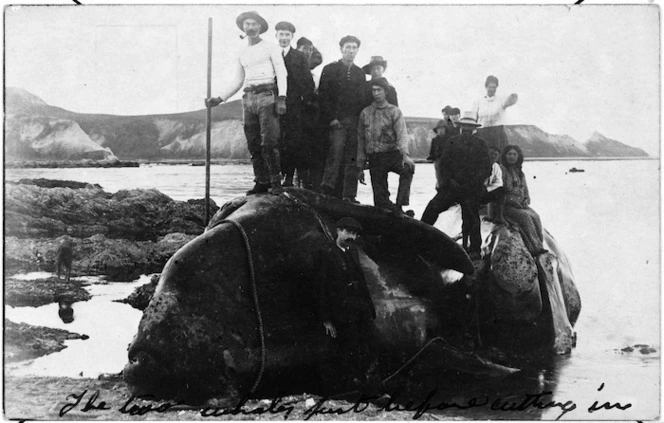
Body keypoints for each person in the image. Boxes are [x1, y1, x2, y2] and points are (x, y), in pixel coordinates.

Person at [205, 11, 287, 195]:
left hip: (267, 95)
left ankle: (276, 182)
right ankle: (261, 181)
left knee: (269, 141)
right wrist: (219, 98)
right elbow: (238, 79)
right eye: (247, 24)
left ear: (260, 27)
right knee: (253, 142)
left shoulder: (271, 48)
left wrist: (281, 97)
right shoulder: (241, 52)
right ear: (243, 27)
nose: (250, 28)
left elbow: (282, 73)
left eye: (254, 24)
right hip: (248, 98)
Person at [420, 112, 492, 259]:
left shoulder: (481, 144)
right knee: (432, 208)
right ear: (460, 127)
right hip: (452, 187)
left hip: (472, 188)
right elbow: (444, 165)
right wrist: (449, 181)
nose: (466, 129)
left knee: (471, 216)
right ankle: (419, 239)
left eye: (469, 127)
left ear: (473, 128)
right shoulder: (452, 141)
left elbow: (486, 168)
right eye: (464, 126)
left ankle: (475, 249)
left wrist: (472, 183)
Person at [317, 217, 377, 392]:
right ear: (338, 231)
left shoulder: (352, 252)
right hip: (341, 311)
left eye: (355, 234)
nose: (352, 236)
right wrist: (325, 319)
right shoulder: (326, 253)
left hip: (359, 309)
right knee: (347, 347)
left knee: (369, 344)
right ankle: (350, 386)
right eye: (348, 232)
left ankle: (366, 383)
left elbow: (361, 280)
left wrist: (369, 307)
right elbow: (320, 287)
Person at [318, 35, 368, 203]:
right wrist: (331, 118)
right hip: (337, 121)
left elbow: (362, 100)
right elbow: (323, 96)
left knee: (352, 157)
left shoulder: (360, 73)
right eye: (348, 47)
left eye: (354, 48)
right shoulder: (330, 69)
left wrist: (359, 122)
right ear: (341, 49)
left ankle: (349, 195)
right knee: (335, 154)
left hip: (354, 122)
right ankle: (327, 189)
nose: (351, 51)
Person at [357, 77, 414, 215]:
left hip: (393, 154)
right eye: (373, 90)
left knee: (408, 168)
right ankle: (396, 213)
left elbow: (402, 134)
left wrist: (405, 155)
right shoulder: (365, 113)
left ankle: (400, 205)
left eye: (379, 90)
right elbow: (361, 140)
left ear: (386, 92)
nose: (376, 93)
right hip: (375, 158)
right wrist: (360, 166)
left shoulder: (394, 111)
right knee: (380, 201)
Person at [274, 21, 315, 188]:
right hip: (271, 104)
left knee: (292, 141)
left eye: (287, 35)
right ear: (276, 35)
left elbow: (308, 83)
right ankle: (273, 177)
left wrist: (303, 102)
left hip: (294, 106)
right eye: (281, 34)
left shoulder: (299, 57)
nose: (284, 38)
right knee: (274, 140)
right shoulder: (271, 53)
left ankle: (289, 178)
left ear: (292, 37)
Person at [501, 145, 546, 256]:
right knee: (525, 217)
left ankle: (540, 244)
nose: (512, 156)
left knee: (535, 216)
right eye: (509, 154)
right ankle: (534, 248)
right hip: (506, 206)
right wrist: (511, 201)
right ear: (505, 156)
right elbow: (499, 192)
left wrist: (525, 200)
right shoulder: (502, 170)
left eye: (514, 154)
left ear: (518, 156)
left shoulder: (520, 173)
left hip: (520, 205)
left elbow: (525, 190)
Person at [296, 36, 326, 189]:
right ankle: (298, 180)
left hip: (311, 115)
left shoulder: (315, 77)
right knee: (297, 146)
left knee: (310, 147)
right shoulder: (292, 70)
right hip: (296, 112)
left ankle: (308, 183)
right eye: (304, 50)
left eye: (309, 50)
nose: (307, 54)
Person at [428, 106, 460, 191]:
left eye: (447, 114)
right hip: (439, 159)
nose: (446, 116)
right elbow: (433, 149)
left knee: (450, 175)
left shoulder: (454, 130)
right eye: (444, 115)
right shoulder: (436, 139)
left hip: (451, 157)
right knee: (439, 175)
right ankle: (441, 188)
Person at [481, 146, 506, 224]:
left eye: (496, 155)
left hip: (486, 190)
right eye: (491, 154)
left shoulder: (496, 167)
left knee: (501, 190)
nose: (493, 156)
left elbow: (499, 183)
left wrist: (487, 189)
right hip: (475, 192)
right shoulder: (479, 165)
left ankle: (499, 217)